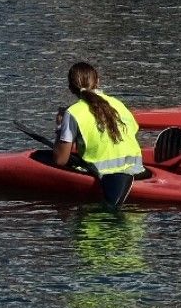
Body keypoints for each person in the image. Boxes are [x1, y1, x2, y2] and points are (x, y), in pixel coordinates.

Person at [50, 61, 146, 207]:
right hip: (139, 172)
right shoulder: (119, 104)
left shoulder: (74, 112)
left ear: (70, 88)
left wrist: (59, 126)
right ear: (98, 81)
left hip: (110, 179)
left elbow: (60, 160)